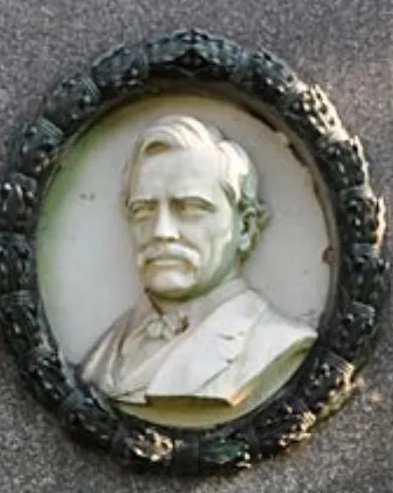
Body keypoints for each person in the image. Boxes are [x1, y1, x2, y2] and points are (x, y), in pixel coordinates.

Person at [78, 113, 316, 417]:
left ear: (245, 228)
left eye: (190, 208)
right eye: (144, 210)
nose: (161, 230)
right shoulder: (101, 356)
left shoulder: (276, 343)